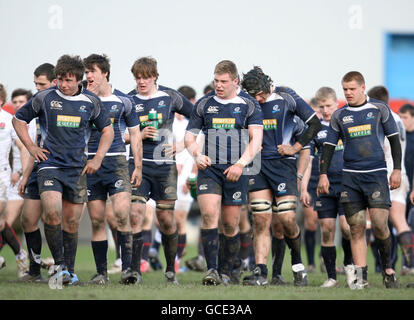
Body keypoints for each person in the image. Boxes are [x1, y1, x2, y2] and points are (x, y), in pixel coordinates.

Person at [12, 54, 114, 286]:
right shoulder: (44, 98)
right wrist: (31, 146)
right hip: (49, 166)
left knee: (70, 222)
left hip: (77, 169)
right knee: (52, 212)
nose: (64, 84)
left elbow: (107, 131)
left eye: (69, 80)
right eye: (60, 79)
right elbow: (19, 120)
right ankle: (58, 267)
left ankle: (69, 270)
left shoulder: (91, 101)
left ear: (79, 80)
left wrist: (97, 158)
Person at [318, 71, 401, 289]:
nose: (348, 93)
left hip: (376, 176)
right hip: (351, 178)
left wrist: (397, 170)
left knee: (381, 225)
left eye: (352, 89)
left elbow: (394, 141)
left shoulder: (379, 109)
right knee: (355, 227)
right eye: (345, 89)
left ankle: (387, 268)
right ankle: (361, 277)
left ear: (363, 88)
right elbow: (328, 147)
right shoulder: (339, 115)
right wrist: (323, 174)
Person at [239, 66, 321, 286]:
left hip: (283, 166)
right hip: (256, 166)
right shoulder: (248, 102)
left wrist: (295, 148)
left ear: (267, 85)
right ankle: (261, 272)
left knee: (286, 220)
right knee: (261, 219)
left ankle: (297, 263)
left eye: (259, 93)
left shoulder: (286, 96)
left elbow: (314, 124)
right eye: (253, 95)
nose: (257, 99)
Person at [184, 60, 263, 285]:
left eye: (223, 82)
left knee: (230, 224)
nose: (218, 85)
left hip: (237, 169)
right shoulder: (204, 103)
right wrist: (197, 155)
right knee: (209, 215)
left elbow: (256, 139)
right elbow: (189, 136)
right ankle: (212, 270)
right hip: (210, 169)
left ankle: (229, 269)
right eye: (216, 81)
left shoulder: (248, 104)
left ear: (235, 81)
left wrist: (240, 164)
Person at [128, 56, 194, 284]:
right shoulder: (128, 100)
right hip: (138, 166)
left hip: (164, 168)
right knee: (135, 215)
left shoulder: (170, 96)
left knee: (166, 219)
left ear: (155, 76)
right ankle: (134, 271)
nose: (141, 81)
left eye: (146, 77)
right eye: (138, 77)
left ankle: (170, 270)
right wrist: (135, 135)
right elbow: (117, 133)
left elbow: (199, 117)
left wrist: (182, 144)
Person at [83, 54, 142, 285]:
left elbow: (136, 134)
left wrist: (138, 166)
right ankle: (101, 273)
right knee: (97, 220)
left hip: (117, 163)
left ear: (104, 73)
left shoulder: (124, 101)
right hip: (90, 164)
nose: (88, 76)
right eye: (86, 72)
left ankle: (128, 269)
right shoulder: (83, 101)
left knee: (121, 214)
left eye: (92, 72)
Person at [302, 87, 352, 288]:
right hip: (324, 186)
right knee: (327, 229)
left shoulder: (347, 125)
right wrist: (304, 188)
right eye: (321, 106)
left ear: (336, 103)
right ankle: (331, 276)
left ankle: (350, 268)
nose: (325, 110)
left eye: (329, 105)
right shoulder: (315, 129)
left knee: (348, 228)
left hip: (348, 184)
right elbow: (308, 161)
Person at [14, 63, 57, 282]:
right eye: (35, 84)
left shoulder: (62, 104)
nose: (37, 89)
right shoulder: (37, 107)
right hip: (37, 170)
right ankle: (34, 271)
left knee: (55, 220)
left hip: (60, 170)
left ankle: (63, 270)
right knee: (28, 220)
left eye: (42, 84)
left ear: (54, 82)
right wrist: (25, 176)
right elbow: (34, 146)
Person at [368, 86, 414, 275]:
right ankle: (409, 265)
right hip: (400, 174)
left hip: (382, 175)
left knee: (370, 223)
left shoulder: (381, 118)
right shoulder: (399, 120)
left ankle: (368, 267)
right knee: (400, 222)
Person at [0, 85, 30, 278]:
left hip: (1, 176)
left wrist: (22, 173)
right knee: (2, 223)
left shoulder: (8, 120)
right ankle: (20, 254)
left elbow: (23, 147)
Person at [301, 97, 321, 273]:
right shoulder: (306, 131)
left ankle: (324, 256)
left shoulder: (330, 129)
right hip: (311, 180)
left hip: (328, 180)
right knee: (311, 221)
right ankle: (311, 262)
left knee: (327, 222)